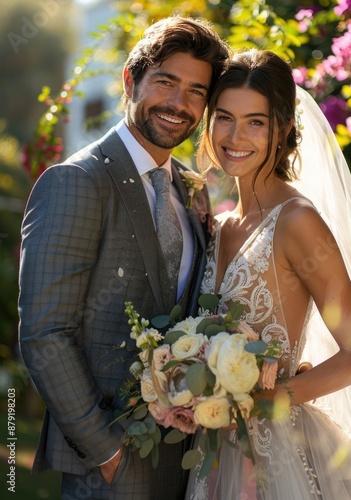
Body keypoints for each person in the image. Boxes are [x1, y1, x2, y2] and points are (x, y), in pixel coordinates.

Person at [18, 16, 230, 500]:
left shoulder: (191, 189)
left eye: (197, 91)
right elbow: (45, 334)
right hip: (110, 470)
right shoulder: (76, 182)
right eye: (166, 82)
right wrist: (107, 451)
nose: (180, 103)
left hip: (188, 458)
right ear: (130, 80)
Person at [186, 49, 351, 499]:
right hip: (212, 450)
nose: (235, 136)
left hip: (278, 454)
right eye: (224, 118)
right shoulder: (218, 225)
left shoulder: (297, 220)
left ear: (282, 130)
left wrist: (266, 399)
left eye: (255, 122)